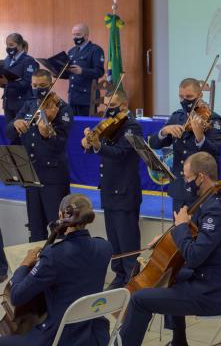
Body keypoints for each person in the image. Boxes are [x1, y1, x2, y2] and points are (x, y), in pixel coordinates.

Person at [119, 152, 221, 346]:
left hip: (213, 292)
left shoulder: (217, 210)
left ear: (201, 177)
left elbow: (193, 257)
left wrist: (182, 227)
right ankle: (179, 342)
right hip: (215, 279)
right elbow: (197, 236)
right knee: (172, 274)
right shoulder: (214, 201)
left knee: (139, 299)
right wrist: (169, 235)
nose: (185, 181)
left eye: (187, 177)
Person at [0, 193, 112, 346]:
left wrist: (25, 264)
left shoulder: (53, 256)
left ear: (61, 215)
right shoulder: (105, 247)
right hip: (94, 334)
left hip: (60, 337)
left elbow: (17, 295)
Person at [81, 88, 142, 289]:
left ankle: (131, 279)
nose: (108, 111)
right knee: (114, 239)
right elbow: (95, 148)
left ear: (124, 106)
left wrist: (98, 146)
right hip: (108, 190)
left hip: (124, 191)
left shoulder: (131, 126)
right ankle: (119, 274)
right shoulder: (108, 125)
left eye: (113, 107)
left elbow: (121, 153)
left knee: (127, 241)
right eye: (106, 106)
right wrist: (88, 143)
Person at [6, 69, 73, 241]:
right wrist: (15, 123)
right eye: (34, 85)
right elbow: (9, 133)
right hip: (31, 175)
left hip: (53, 176)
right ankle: (37, 265)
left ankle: (57, 266)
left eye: (42, 86)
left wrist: (47, 134)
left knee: (57, 227)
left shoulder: (62, 109)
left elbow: (60, 144)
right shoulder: (28, 105)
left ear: (51, 85)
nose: (38, 89)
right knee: (35, 228)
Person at [149, 78, 221, 213]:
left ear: (200, 96)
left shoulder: (213, 119)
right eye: (181, 97)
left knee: (199, 231)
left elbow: (215, 151)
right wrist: (164, 131)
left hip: (200, 188)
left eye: (189, 97)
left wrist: (200, 137)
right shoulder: (177, 117)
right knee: (178, 231)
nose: (185, 101)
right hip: (179, 187)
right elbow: (154, 143)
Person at [67, 23, 105, 116]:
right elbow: (69, 73)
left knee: (86, 128)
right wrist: (56, 71)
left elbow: (99, 72)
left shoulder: (95, 50)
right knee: (73, 127)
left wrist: (82, 71)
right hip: (73, 97)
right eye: (74, 35)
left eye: (78, 35)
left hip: (87, 98)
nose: (75, 37)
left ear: (86, 35)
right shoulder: (72, 51)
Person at [1, 33, 38, 122]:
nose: (8, 47)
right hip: (8, 103)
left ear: (20, 45)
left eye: (11, 45)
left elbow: (28, 83)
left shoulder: (28, 60)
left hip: (22, 104)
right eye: (7, 45)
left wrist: (8, 83)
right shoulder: (7, 59)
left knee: (22, 133)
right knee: (10, 133)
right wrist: (2, 82)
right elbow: (6, 82)